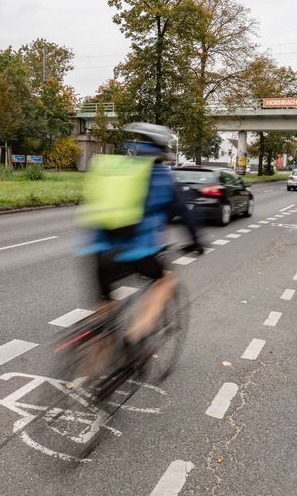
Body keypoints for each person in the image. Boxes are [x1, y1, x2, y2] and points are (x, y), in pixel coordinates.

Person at [78, 122, 203, 354]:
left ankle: (91, 371)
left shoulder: (113, 169)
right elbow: (186, 215)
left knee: (105, 309)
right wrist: (196, 242)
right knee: (164, 281)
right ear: (162, 150)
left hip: (99, 250)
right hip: (135, 252)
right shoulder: (162, 177)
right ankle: (134, 339)